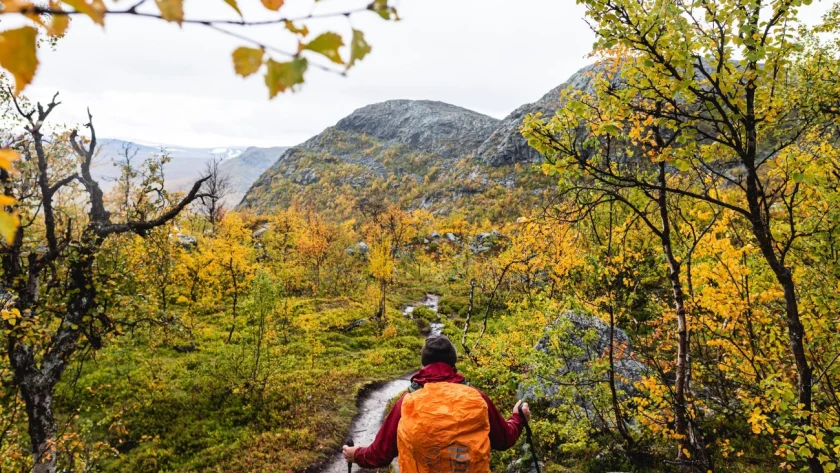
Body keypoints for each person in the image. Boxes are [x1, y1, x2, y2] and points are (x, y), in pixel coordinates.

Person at [342, 335, 531, 473]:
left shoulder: (407, 403)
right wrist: (518, 418)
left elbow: (380, 454)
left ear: (423, 365)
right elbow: (504, 439)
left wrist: (355, 454)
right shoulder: (476, 397)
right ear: (453, 363)